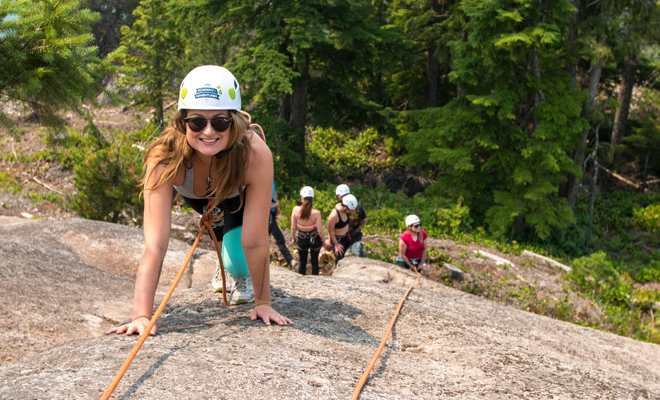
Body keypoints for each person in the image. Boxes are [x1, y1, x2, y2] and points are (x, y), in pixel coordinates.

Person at [106, 65, 292, 337]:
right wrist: (141, 316)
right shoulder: (164, 158)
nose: (208, 131)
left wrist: (263, 303)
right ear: (182, 121)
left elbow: (255, 240)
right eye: (196, 121)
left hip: (235, 198)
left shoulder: (255, 154)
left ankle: (229, 266)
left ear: (235, 120)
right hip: (198, 199)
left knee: (239, 263)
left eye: (219, 122)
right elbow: (155, 244)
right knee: (228, 249)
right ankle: (224, 257)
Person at [290, 186, 325, 275]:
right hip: (314, 238)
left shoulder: (295, 210)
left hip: (302, 238)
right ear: (312, 198)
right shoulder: (316, 213)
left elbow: (293, 227)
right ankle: (315, 282)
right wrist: (323, 240)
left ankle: (301, 282)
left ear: (302, 197)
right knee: (314, 262)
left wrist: (293, 238)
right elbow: (320, 231)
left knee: (302, 262)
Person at [268, 181, 296, 270]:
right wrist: (275, 205)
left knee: (279, 239)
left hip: (271, 215)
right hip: (266, 215)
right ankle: (290, 260)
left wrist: (277, 206)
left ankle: (291, 261)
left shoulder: (271, 178)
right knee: (278, 238)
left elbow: (273, 192)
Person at [325, 194, 359, 265]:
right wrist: (336, 245)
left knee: (345, 257)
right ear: (345, 207)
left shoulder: (344, 211)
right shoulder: (334, 216)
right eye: (350, 210)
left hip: (346, 237)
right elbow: (330, 231)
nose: (350, 212)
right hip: (337, 240)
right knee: (339, 260)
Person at [335, 184, 367, 257]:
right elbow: (364, 219)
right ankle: (356, 248)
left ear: (339, 196)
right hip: (356, 234)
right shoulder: (358, 205)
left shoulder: (340, 207)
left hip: (343, 237)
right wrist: (357, 225)